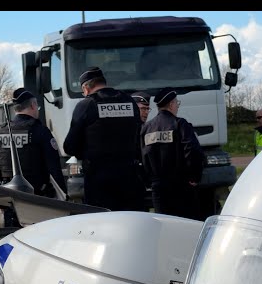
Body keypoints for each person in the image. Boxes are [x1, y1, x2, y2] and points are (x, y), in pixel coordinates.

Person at [63, 66, 145, 211]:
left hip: (99, 180)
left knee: (102, 223)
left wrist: (85, 153)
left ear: (86, 88)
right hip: (130, 176)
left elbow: (70, 146)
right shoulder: (129, 101)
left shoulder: (87, 104)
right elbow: (139, 135)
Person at [0, 87, 67, 227]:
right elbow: (54, 170)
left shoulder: (1, 132)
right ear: (33, 105)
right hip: (37, 202)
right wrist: (63, 199)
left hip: (9, 201)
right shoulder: (41, 132)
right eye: (37, 106)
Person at [141, 87, 204, 220]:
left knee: (165, 224)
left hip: (158, 189)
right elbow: (193, 150)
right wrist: (194, 177)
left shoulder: (147, 128)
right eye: (177, 103)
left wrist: (150, 181)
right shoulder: (180, 124)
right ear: (171, 104)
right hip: (181, 186)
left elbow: (143, 156)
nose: (177, 107)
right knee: (186, 224)